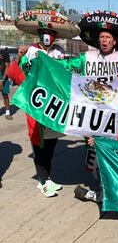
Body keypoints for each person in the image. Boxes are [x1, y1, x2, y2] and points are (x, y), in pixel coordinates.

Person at [53, 10, 118, 202]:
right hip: (93, 115)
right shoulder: (87, 58)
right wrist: (43, 60)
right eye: (101, 37)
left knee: (117, 152)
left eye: (108, 37)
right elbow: (65, 67)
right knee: (95, 153)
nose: (104, 40)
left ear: (115, 41)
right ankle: (104, 189)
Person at [6, 10, 80, 197]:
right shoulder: (31, 51)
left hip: (55, 105)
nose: (48, 37)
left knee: (51, 142)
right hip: (38, 102)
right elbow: (20, 74)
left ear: (55, 36)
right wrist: (21, 58)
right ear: (39, 35)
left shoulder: (60, 52)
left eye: (51, 34)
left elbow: (66, 74)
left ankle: (47, 177)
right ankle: (43, 180)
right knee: (39, 143)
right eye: (44, 34)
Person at [0, 48, 12, 119]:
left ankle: (7, 113)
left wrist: (2, 79)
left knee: (5, 95)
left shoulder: (4, 52)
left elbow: (7, 66)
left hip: (3, 74)